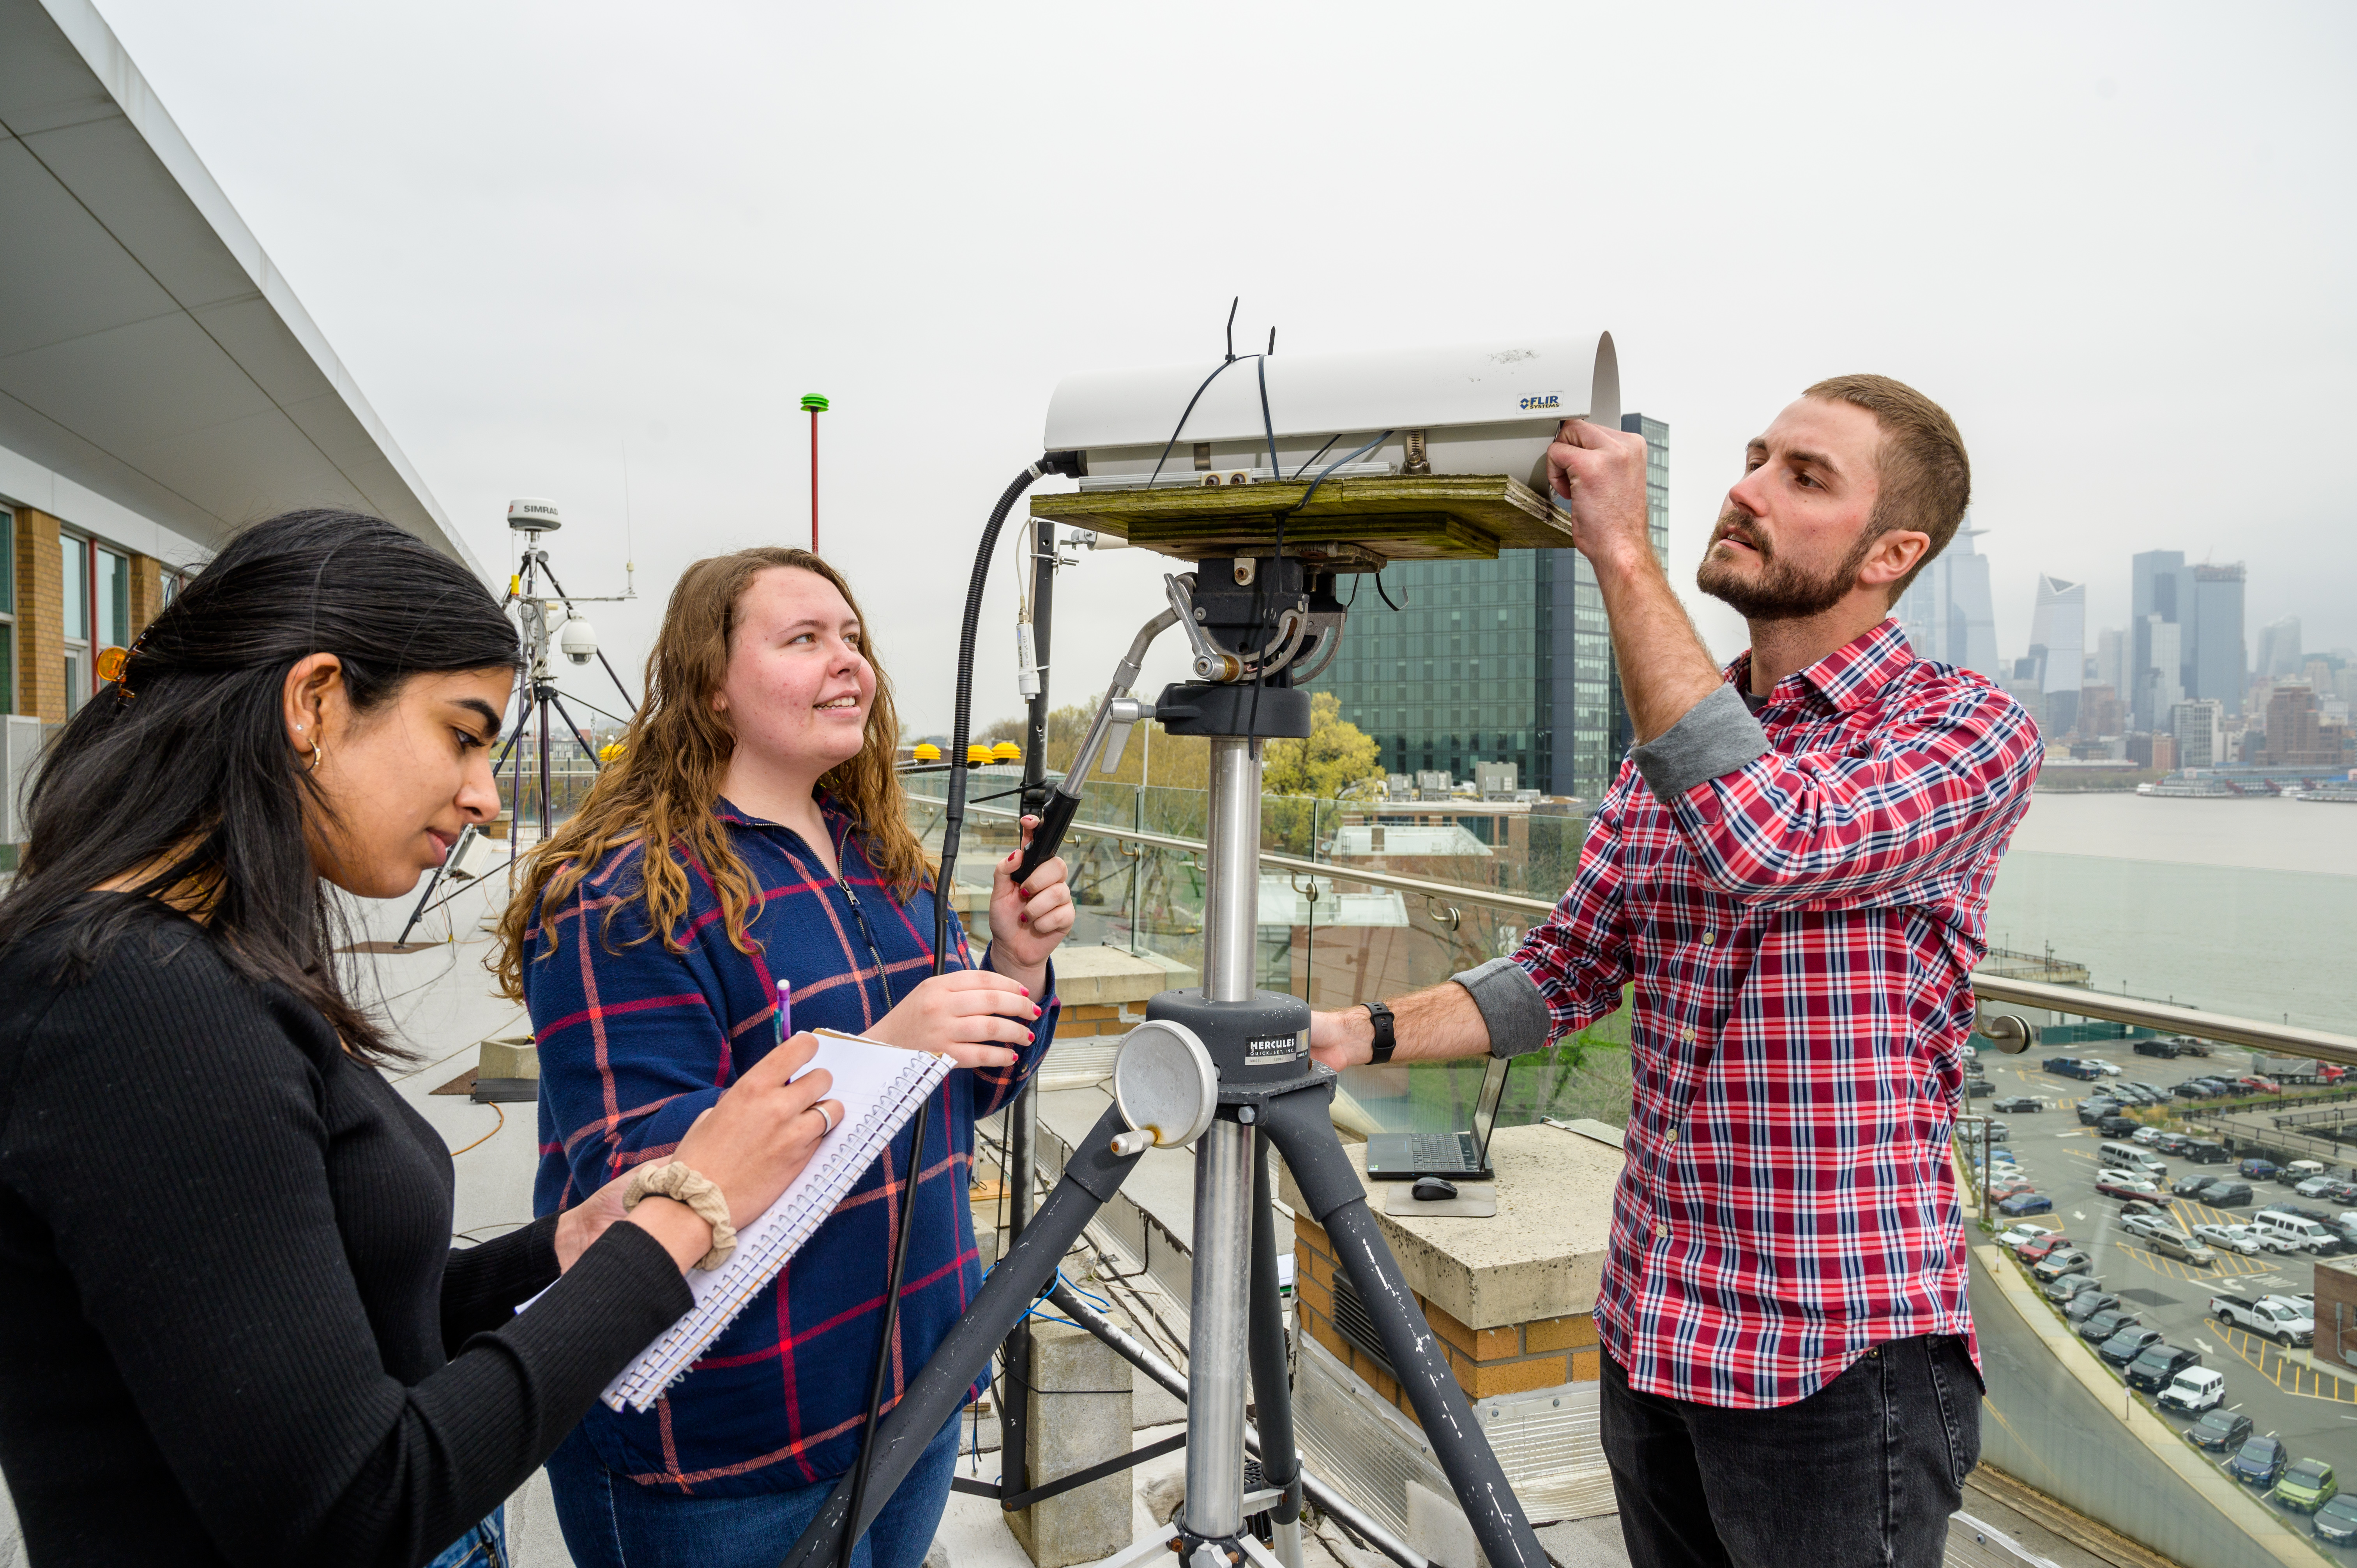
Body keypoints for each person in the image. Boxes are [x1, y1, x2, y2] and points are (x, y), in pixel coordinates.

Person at [0, 510, 844, 1568]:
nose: (486, 796)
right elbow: (354, 1506)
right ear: (312, 703)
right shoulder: (133, 1010)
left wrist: (563, 1252)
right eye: (462, 732)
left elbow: (332, 1326)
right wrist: (679, 1224)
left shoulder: (197, 965)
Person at [1308, 378, 2042, 1568]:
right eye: (1753, 458)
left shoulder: (1963, 730)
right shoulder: (1668, 740)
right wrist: (1361, 1033)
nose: (1745, 489)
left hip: (1837, 1366)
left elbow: (1772, 838)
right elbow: (1567, 967)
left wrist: (1616, 549)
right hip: (1654, 1332)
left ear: (1892, 551)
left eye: (1805, 476)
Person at [498, 546, 1072, 1568]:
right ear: (710, 687)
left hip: (915, 1392)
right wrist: (885, 1048)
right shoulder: (621, 894)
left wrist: (1016, 967)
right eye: (804, 639)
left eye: (853, 639)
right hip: (724, 1452)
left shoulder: (885, 859)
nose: (848, 661)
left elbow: (965, 1094)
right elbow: (638, 1187)